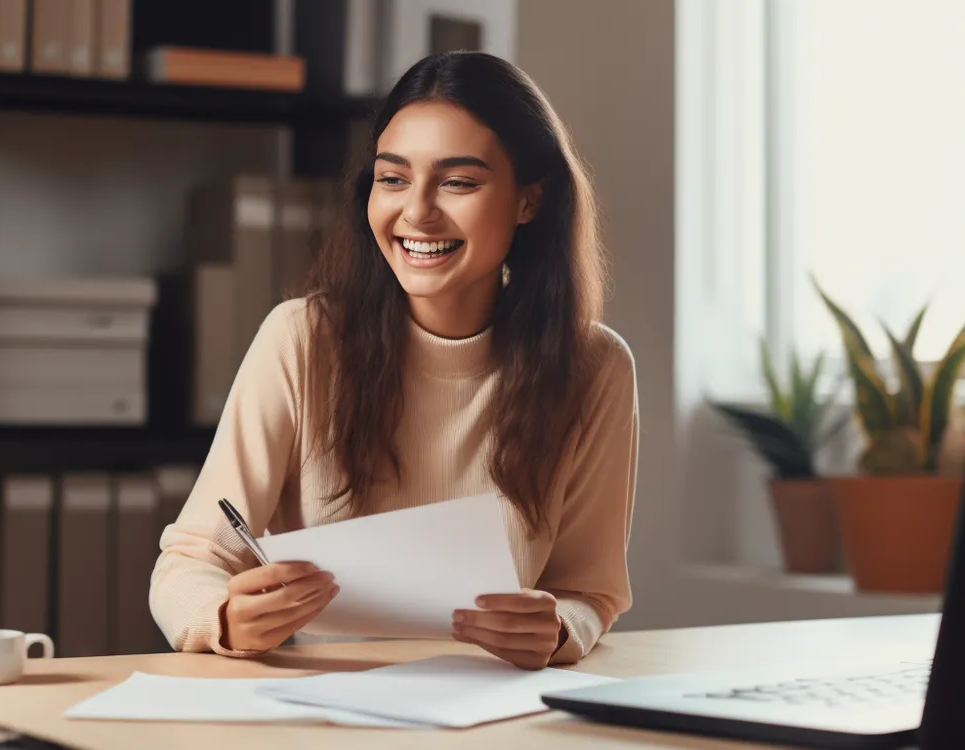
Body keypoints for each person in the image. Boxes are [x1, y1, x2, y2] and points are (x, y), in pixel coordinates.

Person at [149, 51, 639, 670]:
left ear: (528, 200)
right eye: (393, 178)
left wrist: (560, 629)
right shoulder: (302, 340)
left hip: (501, 707)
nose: (417, 212)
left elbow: (589, 591)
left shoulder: (594, 367)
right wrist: (224, 616)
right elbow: (189, 563)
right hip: (326, 701)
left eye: (458, 182)